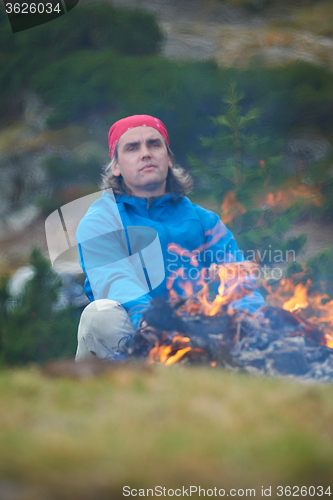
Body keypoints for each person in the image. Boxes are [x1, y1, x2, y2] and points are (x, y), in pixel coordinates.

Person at [75, 115, 264, 361]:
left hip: (201, 338)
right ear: (116, 167)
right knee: (99, 314)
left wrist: (250, 325)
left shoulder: (205, 221)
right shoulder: (101, 221)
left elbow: (241, 282)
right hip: (136, 340)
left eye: (154, 144)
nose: (146, 153)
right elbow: (115, 281)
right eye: (132, 148)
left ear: (169, 158)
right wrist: (152, 326)